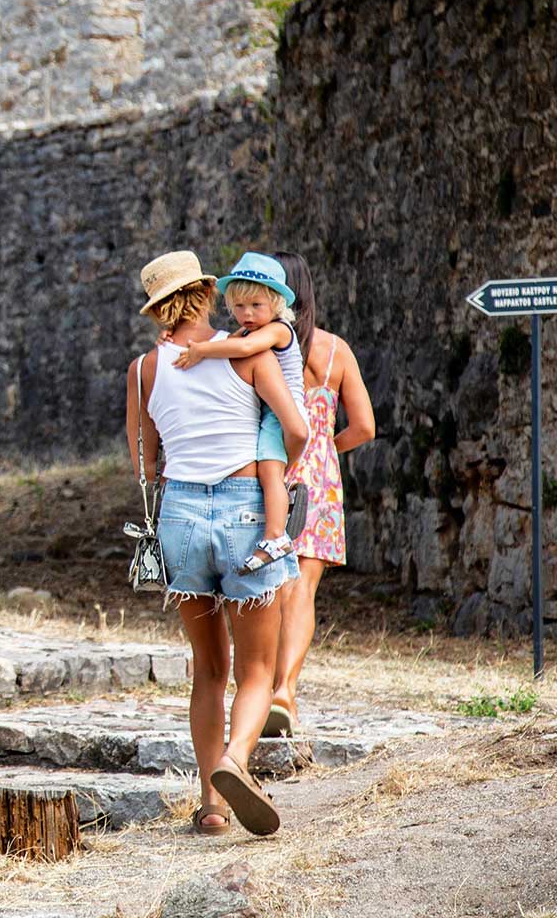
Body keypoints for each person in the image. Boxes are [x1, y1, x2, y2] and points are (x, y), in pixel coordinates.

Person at [126, 251, 309, 837]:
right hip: (245, 512)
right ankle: (235, 760)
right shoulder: (249, 355)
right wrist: (289, 467)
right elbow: (299, 429)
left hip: (178, 516)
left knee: (208, 669)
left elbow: (143, 457)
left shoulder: (142, 371)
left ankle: (211, 804)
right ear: (208, 296)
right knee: (256, 671)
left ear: (159, 308)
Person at [263, 251, 375, 738]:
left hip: (271, 469)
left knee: (270, 588)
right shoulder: (335, 351)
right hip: (321, 475)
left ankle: (262, 688)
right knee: (303, 589)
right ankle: (285, 690)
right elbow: (366, 427)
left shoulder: (260, 348)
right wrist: (328, 445)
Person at [172, 252, 307, 575]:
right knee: (268, 471)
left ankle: (276, 536)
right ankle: (276, 524)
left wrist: (200, 350)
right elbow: (228, 343)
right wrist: (178, 339)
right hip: (268, 411)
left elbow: (242, 350)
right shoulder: (247, 332)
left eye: (256, 306)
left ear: (275, 304)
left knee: (270, 473)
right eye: (239, 307)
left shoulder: (278, 329)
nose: (246, 314)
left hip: (281, 411)